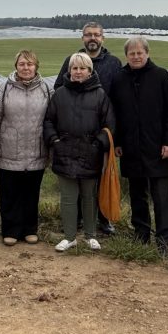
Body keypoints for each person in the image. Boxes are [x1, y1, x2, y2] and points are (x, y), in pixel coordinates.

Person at [110, 37, 168, 256]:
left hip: (159, 147)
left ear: (147, 53)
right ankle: (141, 234)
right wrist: (118, 141)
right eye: (132, 53)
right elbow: (115, 114)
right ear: (126, 56)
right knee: (137, 194)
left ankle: (164, 240)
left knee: (162, 196)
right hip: (131, 147)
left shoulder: (161, 76)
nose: (136, 56)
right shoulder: (119, 79)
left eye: (140, 53)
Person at [54, 21, 122, 234]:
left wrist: (109, 137)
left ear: (103, 38)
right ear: (82, 38)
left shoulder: (113, 63)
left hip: (100, 132)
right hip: (73, 135)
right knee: (75, 180)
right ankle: (78, 221)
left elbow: (120, 98)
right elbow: (58, 89)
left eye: (96, 35)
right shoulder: (71, 60)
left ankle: (103, 219)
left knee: (101, 179)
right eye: (88, 35)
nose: (92, 38)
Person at [44, 52, 115, 252]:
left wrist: (98, 145)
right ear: (69, 71)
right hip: (64, 152)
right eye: (74, 68)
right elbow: (49, 120)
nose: (78, 72)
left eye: (82, 68)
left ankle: (90, 236)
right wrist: (54, 141)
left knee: (89, 196)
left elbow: (109, 124)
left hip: (90, 154)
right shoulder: (59, 94)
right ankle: (69, 237)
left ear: (90, 71)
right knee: (68, 197)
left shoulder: (100, 95)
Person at [0, 50, 53, 246]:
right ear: (16, 66)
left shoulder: (46, 90)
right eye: (22, 64)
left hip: (36, 152)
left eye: (30, 64)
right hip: (9, 151)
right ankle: (10, 230)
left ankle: (29, 229)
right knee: (9, 194)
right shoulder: (4, 89)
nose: (26, 68)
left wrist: (50, 149)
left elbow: (52, 119)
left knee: (31, 194)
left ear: (36, 67)